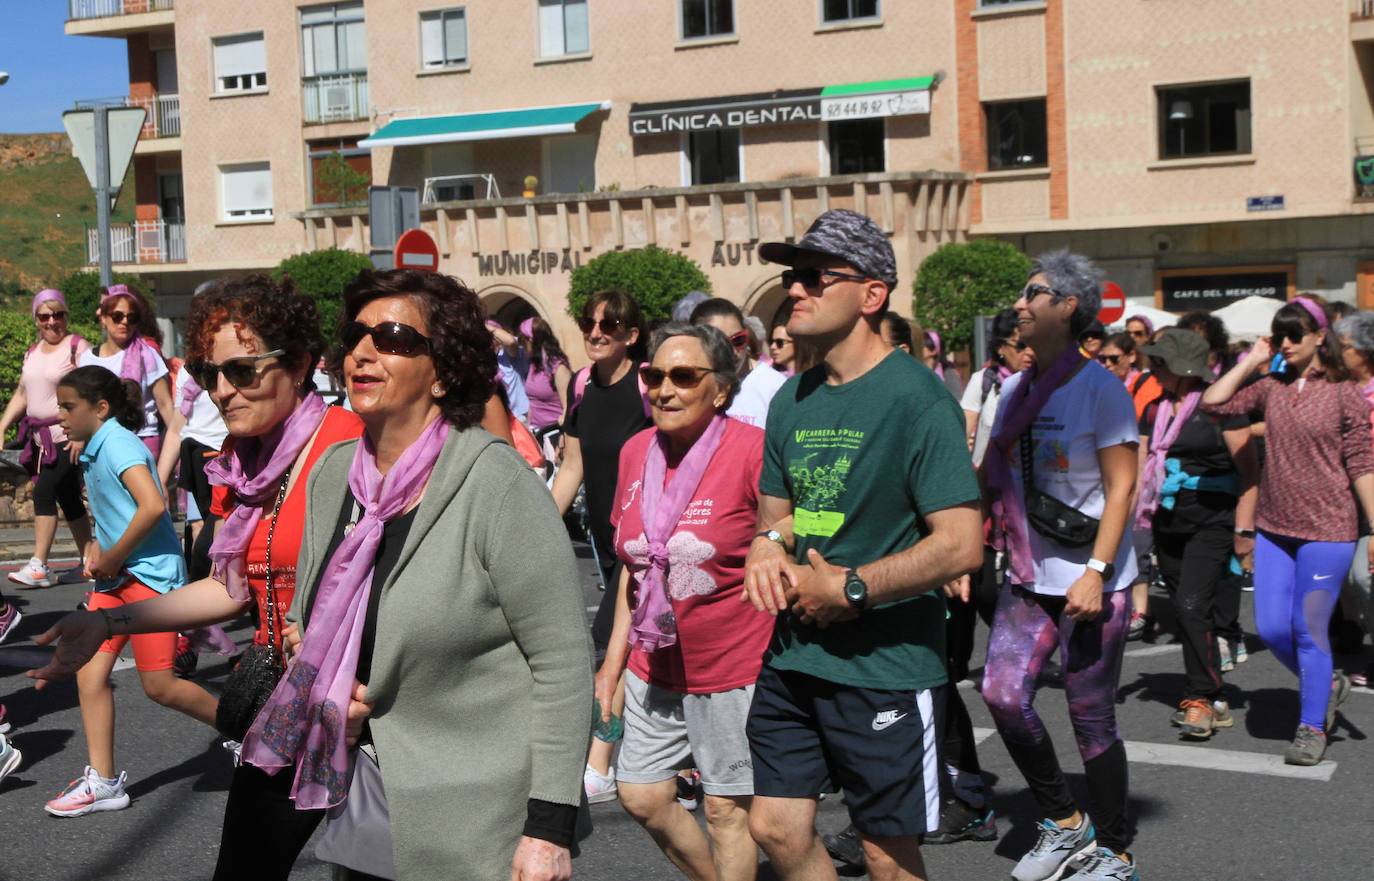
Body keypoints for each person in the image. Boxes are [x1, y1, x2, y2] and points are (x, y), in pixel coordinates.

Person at [243, 268, 592, 880]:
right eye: (355, 335)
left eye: (396, 338)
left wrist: (549, 829)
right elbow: (310, 616)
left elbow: (563, 665)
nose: (363, 352)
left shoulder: (497, 485)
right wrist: (329, 678)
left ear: (447, 372)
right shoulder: (331, 474)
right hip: (369, 792)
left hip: (484, 815)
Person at [29, 274, 362, 877]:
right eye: (209, 375)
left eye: (243, 371)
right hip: (282, 706)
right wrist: (109, 620)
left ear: (302, 362)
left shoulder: (353, 448)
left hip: (363, 712)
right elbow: (230, 590)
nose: (221, 391)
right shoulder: (249, 465)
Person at [744, 209, 983, 881]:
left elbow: (963, 543)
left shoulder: (918, 399)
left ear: (871, 294)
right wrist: (766, 544)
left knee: (884, 851)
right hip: (795, 655)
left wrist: (850, 587)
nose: (795, 289)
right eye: (793, 276)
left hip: (885, 667)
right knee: (774, 825)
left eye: (816, 276)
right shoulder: (793, 398)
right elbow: (782, 515)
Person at [981, 250, 1141, 881]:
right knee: (1001, 694)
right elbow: (993, 478)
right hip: (1029, 573)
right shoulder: (1015, 390)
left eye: (1034, 293)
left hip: (1092, 578)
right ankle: (1067, 823)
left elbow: (1121, 489)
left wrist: (1097, 571)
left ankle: (1116, 850)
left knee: (1089, 713)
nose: (1021, 304)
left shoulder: (1101, 389)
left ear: (1068, 306)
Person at [595, 322, 772, 881]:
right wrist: (612, 664)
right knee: (642, 796)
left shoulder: (751, 451)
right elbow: (635, 569)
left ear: (719, 389)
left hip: (731, 666)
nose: (663, 389)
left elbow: (785, 532)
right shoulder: (635, 452)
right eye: (654, 375)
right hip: (655, 661)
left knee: (725, 811)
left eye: (683, 376)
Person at [1202, 297, 1374, 765]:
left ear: (1322, 337)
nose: (1287, 342)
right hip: (1275, 528)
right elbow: (1213, 404)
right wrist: (1255, 359)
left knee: (1308, 629)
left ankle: (1312, 726)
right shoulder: (1271, 385)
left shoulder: (1343, 391)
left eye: (1296, 333)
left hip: (1329, 530)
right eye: (1280, 334)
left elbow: (1361, 462)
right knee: (1273, 629)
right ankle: (1327, 684)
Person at [42, 365, 219, 818]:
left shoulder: (119, 443)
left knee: (160, 687)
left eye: (68, 407)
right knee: (89, 673)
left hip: (149, 579)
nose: (59, 415)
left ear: (99, 409)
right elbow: (108, 509)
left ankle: (251, 733)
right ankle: (102, 783)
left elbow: (153, 505)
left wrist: (115, 554)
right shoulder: (92, 448)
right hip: (114, 581)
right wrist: (99, 548)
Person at [549, 288, 653, 802]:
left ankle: (600, 764)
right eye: (589, 323)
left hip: (648, 546)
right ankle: (676, 761)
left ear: (630, 336)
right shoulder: (584, 386)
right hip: (606, 543)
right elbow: (573, 467)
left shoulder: (648, 385)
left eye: (608, 326)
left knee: (606, 640)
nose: (595, 332)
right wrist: (539, 529)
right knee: (648, 652)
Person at [1135, 329, 1258, 738]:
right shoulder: (1153, 409)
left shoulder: (1222, 409)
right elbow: (1138, 467)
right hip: (1166, 522)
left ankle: (1199, 698)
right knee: (1191, 615)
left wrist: (1244, 533)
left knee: (1190, 607)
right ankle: (1214, 696)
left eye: (1159, 361)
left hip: (1212, 522)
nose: (1150, 367)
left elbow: (1250, 476)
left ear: (1183, 368)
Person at [1, 289, 94, 588]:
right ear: (36, 319)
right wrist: (2, 426)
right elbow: (23, 394)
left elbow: (92, 390)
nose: (52, 322)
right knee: (69, 499)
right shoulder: (32, 352)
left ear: (66, 316)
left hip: (68, 435)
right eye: (45, 316)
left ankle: (39, 565)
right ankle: (88, 561)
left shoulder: (77, 347)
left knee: (43, 493)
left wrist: (82, 434)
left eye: (58, 315)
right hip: (43, 440)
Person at [78, 284, 175, 460]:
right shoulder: (87, 358)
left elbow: (165, 403)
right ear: (103, 319)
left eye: (132, 317)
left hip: (141, 437)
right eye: (117, 316)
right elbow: (82, 403)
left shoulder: (147, 354)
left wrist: (179, 444)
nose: (125, 322)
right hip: (100, 440)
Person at [1336, 311, 1374, 687]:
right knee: (1350, 577)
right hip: (1343, 499)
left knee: (1364, 576)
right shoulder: (1339, 388)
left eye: (1343, 347)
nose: (1337, 353)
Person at [690, 297, 786, 428]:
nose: (732, 352)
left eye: (738, 340)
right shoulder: (686, 385)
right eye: (720, 343)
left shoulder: (776, 387)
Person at [962, 308, 1034, 466]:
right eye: (1021, 346)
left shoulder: (1043, 383)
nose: (1029, 352)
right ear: (1000, 347)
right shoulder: (983, 380)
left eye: (1033, 344)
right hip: (986, 481)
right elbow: (960, 435)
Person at [521, 316, 573, 435]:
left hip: (555, 432)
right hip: (536, 433)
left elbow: (568, 408)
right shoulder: (534, 365)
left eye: (522, 341)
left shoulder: (558, 367)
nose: (521, 346)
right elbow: (533, 402)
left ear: (531, 340)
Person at [921, 328, 965, 399]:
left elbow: (957, 401)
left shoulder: (947, 373)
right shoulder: (918, 371)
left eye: (921, 346)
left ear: (933, 351)